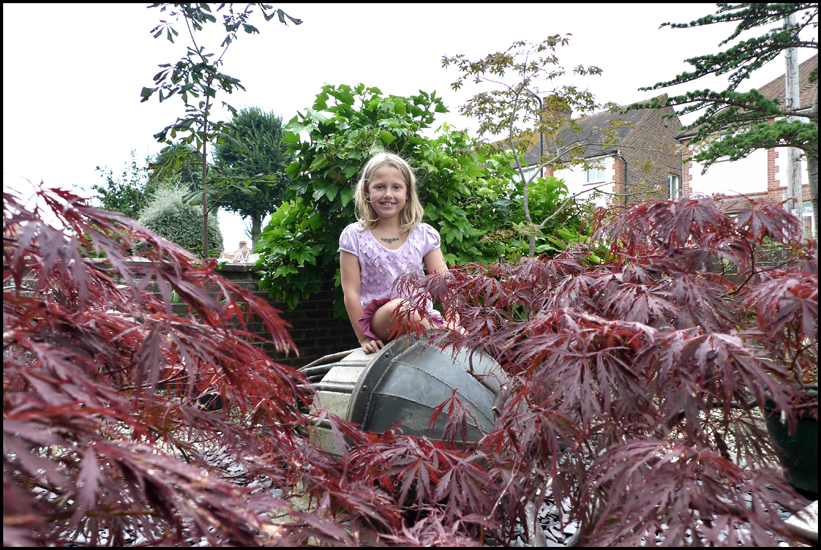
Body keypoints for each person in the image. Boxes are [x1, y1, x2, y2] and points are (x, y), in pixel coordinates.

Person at [339, 153, 451, 354]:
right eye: (380, 187)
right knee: (399, 307)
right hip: (383, 319)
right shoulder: (354, 236)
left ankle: (446, 335)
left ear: (407, 193)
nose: (388, 194)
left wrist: (455, 320)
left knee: (408, 309)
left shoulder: (424, 234)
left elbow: (444, 284)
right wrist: (364, 338)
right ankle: (447, 342)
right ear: (366, 191)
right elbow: (351, 292)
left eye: (396, 187)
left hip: (423, 317)